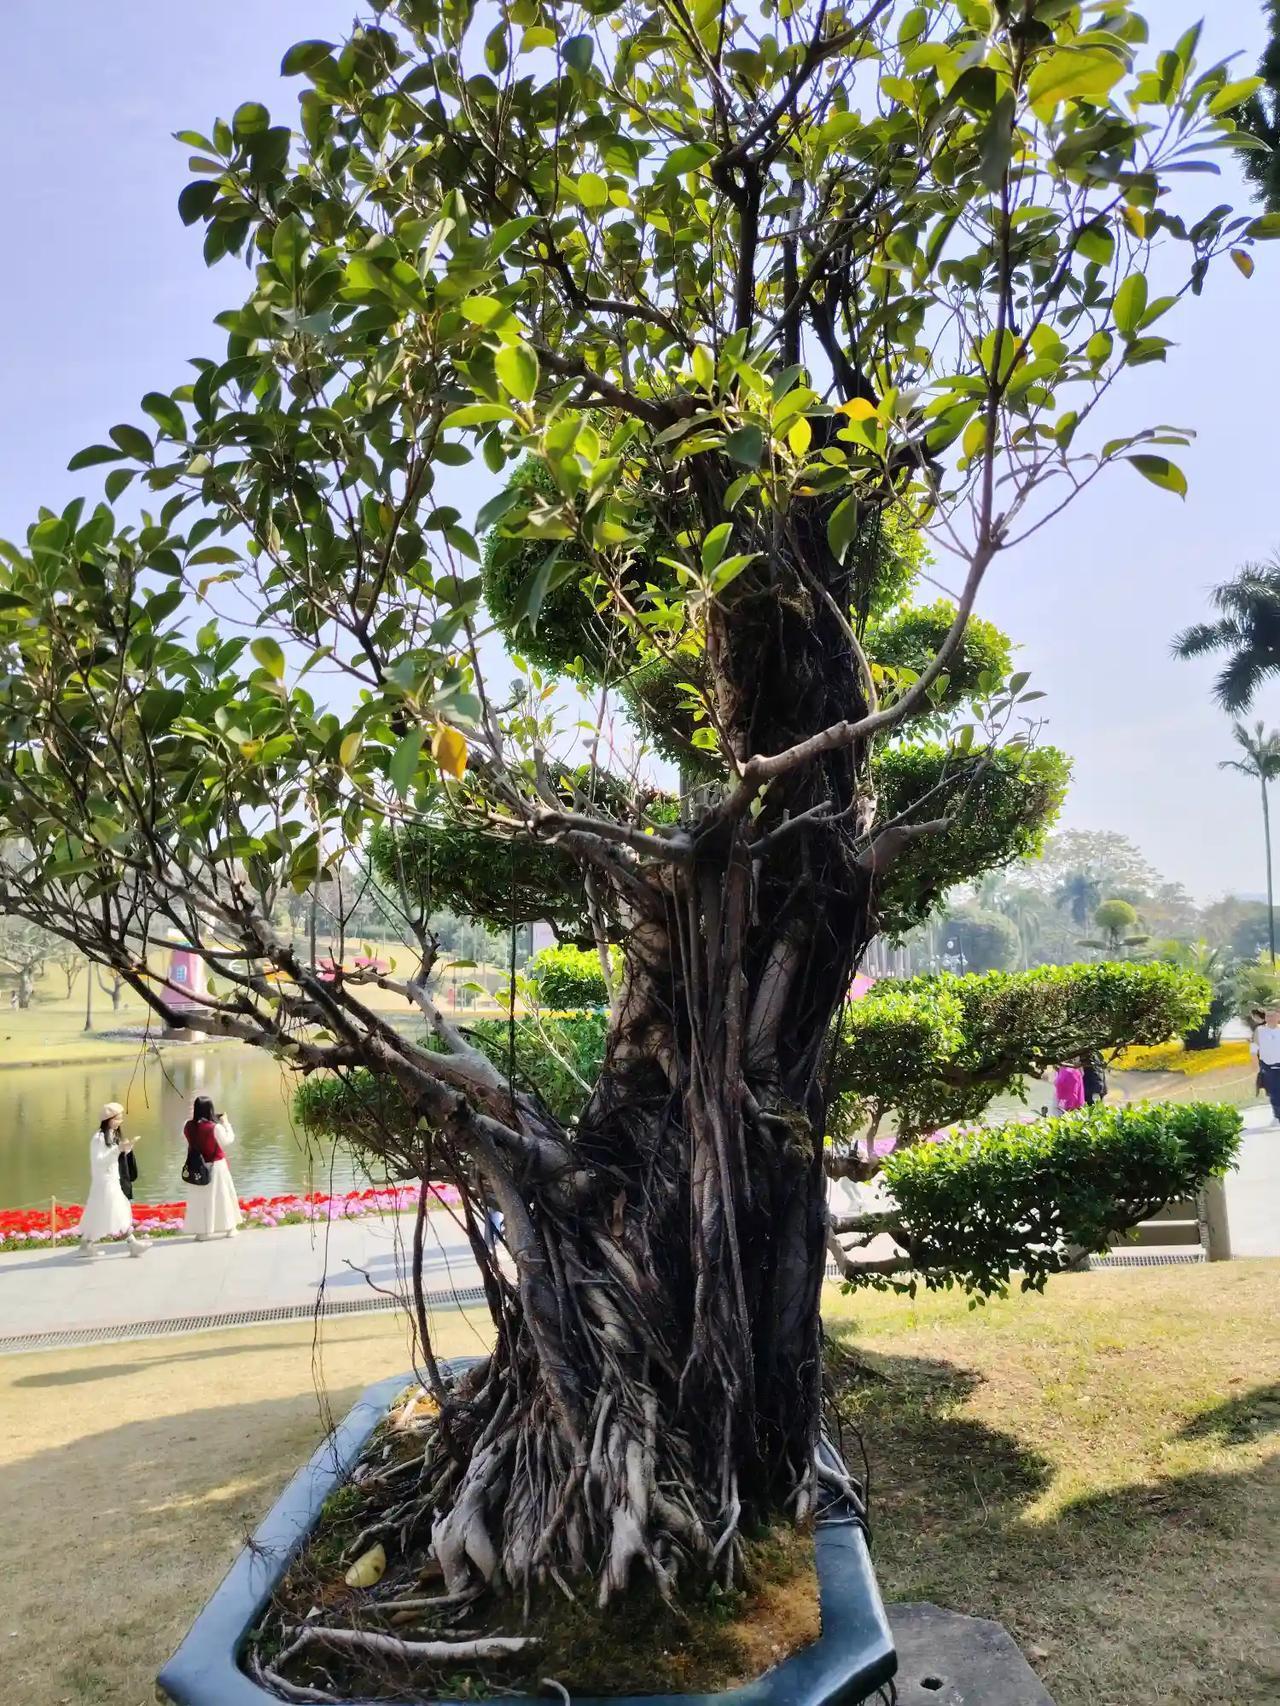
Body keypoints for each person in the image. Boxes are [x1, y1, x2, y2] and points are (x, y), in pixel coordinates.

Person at [79, 1102, 147, 1258]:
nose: (120, 1121)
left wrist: (127, 1148)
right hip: (105, 1182)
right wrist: (118, 1149)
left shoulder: (111, 1135)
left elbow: (114, 1156)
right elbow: (99, 1160)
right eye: (117, 1118)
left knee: (98, 1212)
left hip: (112, 1179)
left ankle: (86, 1243)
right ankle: (132, 1243)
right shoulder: (99, 1138)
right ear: (108, 1119)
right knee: (118, 1210)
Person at [182, 1095, 242, 1240]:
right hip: (216, 1166)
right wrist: (226, 1123)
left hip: (197, 1166)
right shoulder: (214, 1128)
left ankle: (202, 1231)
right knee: (223, 1197)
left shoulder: (188, 1126)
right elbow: (227, 1140)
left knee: (199, 1200)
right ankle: (230, 1228)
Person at [1250, 1009, 1280, 1121]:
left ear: (1278, 1016)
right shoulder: (1260, 1030)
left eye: (1273, 1015)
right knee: (1274, 1092)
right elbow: (1253, 1048)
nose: (1270, 1018)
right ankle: (1278, 1115)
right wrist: (1254, 1063)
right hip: (1268, 1067)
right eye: (1268, 1016)